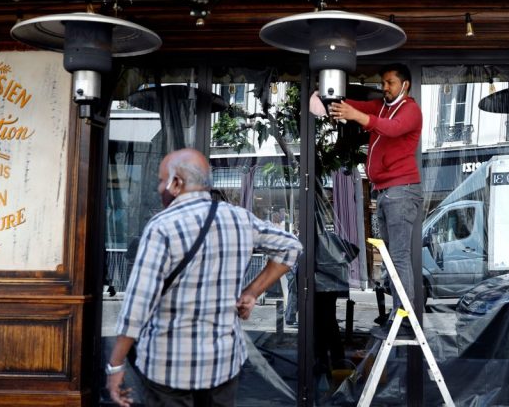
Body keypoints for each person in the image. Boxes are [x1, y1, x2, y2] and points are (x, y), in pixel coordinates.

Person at [106, 148, 303, 407]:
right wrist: (252, 292)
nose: (158, 187)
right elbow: (291, 247)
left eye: (160, 180)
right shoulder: (240, 218)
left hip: (168, 367)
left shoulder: (162, 226)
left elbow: (138, 305)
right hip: (223, 365)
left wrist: (116, 364)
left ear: (176, 182)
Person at [322, 63, 422, 335]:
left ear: (405, 85)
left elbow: (389, 129)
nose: (384, 88)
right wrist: (333, 102)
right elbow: (362, 108)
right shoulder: (384, 107)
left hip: (402, 189)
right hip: (388, 190)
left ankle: (404, 316)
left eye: (389, 83)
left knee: (398, 257)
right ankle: (398, 312)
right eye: (383, 83)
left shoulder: (410, 110)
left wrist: (354, 114)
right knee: (390, 257)